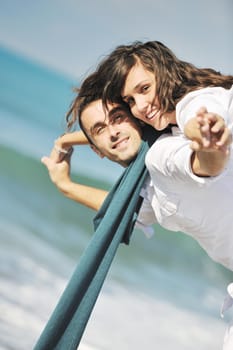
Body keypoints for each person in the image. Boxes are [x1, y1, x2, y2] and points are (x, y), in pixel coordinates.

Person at [42, 70, 233, 349]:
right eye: (99, 130)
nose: (113, 132)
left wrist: (209, 149)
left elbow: (200, 163)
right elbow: (123, 210)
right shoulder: (149, 189)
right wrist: (65, 183)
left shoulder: (164, 152)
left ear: (138, 119)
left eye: (118, 118)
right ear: (97, 150)